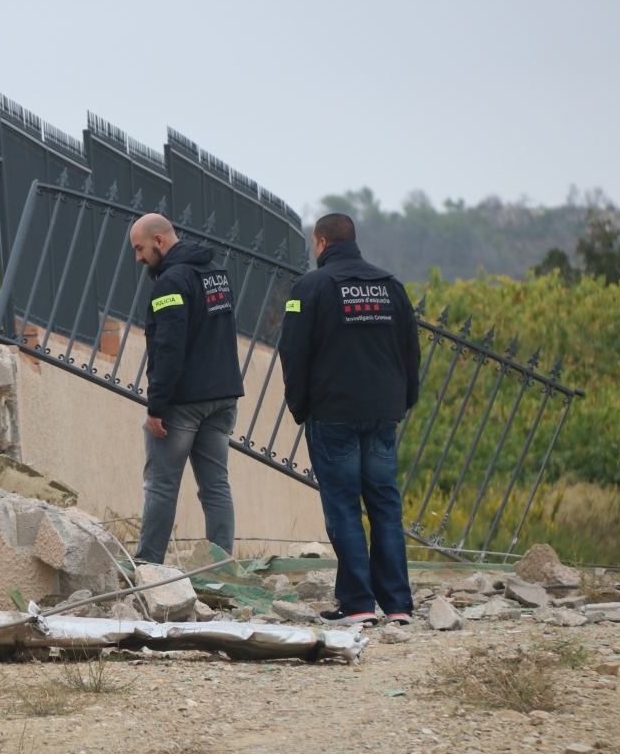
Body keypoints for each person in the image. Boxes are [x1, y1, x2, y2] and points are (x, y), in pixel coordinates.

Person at [278, 213, 421, 626]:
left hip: (333, 413)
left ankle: (357, 604)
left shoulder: (308, 287)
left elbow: (293, 351)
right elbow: (410, 349)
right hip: (382, 413)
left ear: (321, 243)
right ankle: (398, 606)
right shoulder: (391, 286)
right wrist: (403, 400)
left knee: (343, 506)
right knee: (385, 506)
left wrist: (299, 406)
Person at [128, 213, 245, 563]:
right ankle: (220, 565)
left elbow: (169, 347)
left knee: (161, 486)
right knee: (216, 487)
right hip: (223, 397)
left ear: (159, 241)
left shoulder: (170, 282)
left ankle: (149, 565)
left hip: (184, 403)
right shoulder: (216, 275)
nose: (138, 258)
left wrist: (156, 406)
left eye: (140, 248)